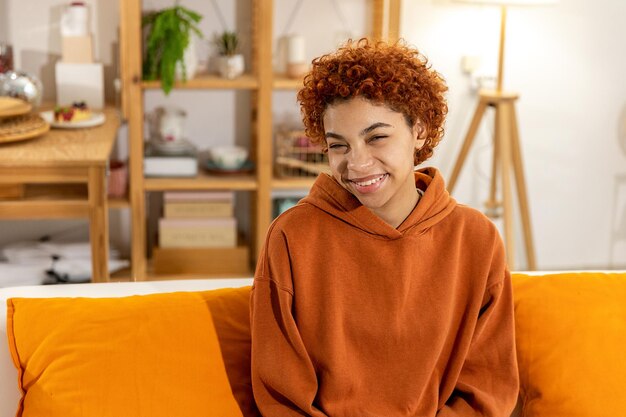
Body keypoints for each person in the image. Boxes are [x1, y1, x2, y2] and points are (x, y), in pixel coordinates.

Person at [250, 38, 519, 417]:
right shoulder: (292, 237)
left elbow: (487, 387)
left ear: (420, 131)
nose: (357, 164)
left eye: (376, 137)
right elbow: (281, 395)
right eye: (338, 146)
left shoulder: (476, 239)